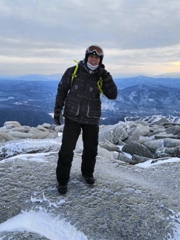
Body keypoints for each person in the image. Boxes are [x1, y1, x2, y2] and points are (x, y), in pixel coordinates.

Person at [53, 45, 118, 194]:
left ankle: (87, 174)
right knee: (67, 150)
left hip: (92, 118)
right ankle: (62, 181)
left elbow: (113, 94)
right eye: (91, 57)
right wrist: (58, 110)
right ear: (87, 57)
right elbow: (62, 90)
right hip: (72, 116)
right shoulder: (73, 71)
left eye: (97, 58)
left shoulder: (102, 75)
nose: (94, 60)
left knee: (91, 150)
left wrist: (106, 76)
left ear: (100, 60)